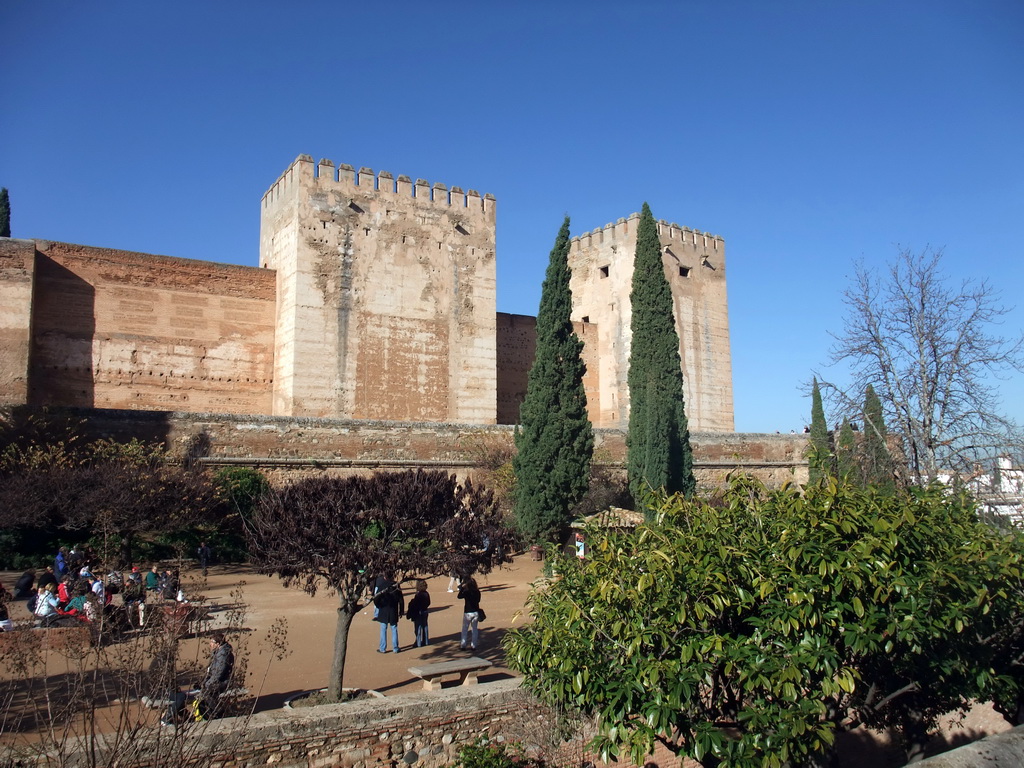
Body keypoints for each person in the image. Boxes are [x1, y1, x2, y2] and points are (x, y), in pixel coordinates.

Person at [162, 632, 234, 726]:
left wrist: (205, 685)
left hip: (219, 684)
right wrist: (202, 683)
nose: (210, 644)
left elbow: (217, 675)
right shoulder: (219, 654)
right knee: (181, 695)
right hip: (213, 683)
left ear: (218, 644)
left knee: (185, 696)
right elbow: (211, 673)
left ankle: (217, 715)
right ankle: (185, 717)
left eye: (212, 642)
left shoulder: (223, 656)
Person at [372, 574, 404, 653]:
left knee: (383, 629)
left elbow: (376, 598)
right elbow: (401, 600)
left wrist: (379, 606)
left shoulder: (382, 586)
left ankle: (382, 648)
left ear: (385, 577)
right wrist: (401, 611)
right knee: (394, 629)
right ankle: (395, 648)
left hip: (384, 610)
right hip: (393, 610)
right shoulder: (396, 586)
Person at [458, 576, 481, 651]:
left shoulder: (467, 592)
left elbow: (459, 596)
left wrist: (462, 588)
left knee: (465, 629)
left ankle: (463, 645)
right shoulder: (477, 592)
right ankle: (474, 645)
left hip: (468, 612)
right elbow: (478, 600)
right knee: (474, 629)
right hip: (476, 612)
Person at [407, 579, 431, 647]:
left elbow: (415, 604)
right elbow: (429, 602)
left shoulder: (418, 594)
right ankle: (426, 641)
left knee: (418, 627)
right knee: (425, 626)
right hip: (425, 611)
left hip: (419, 612)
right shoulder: (426, 593)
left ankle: (418, 642)